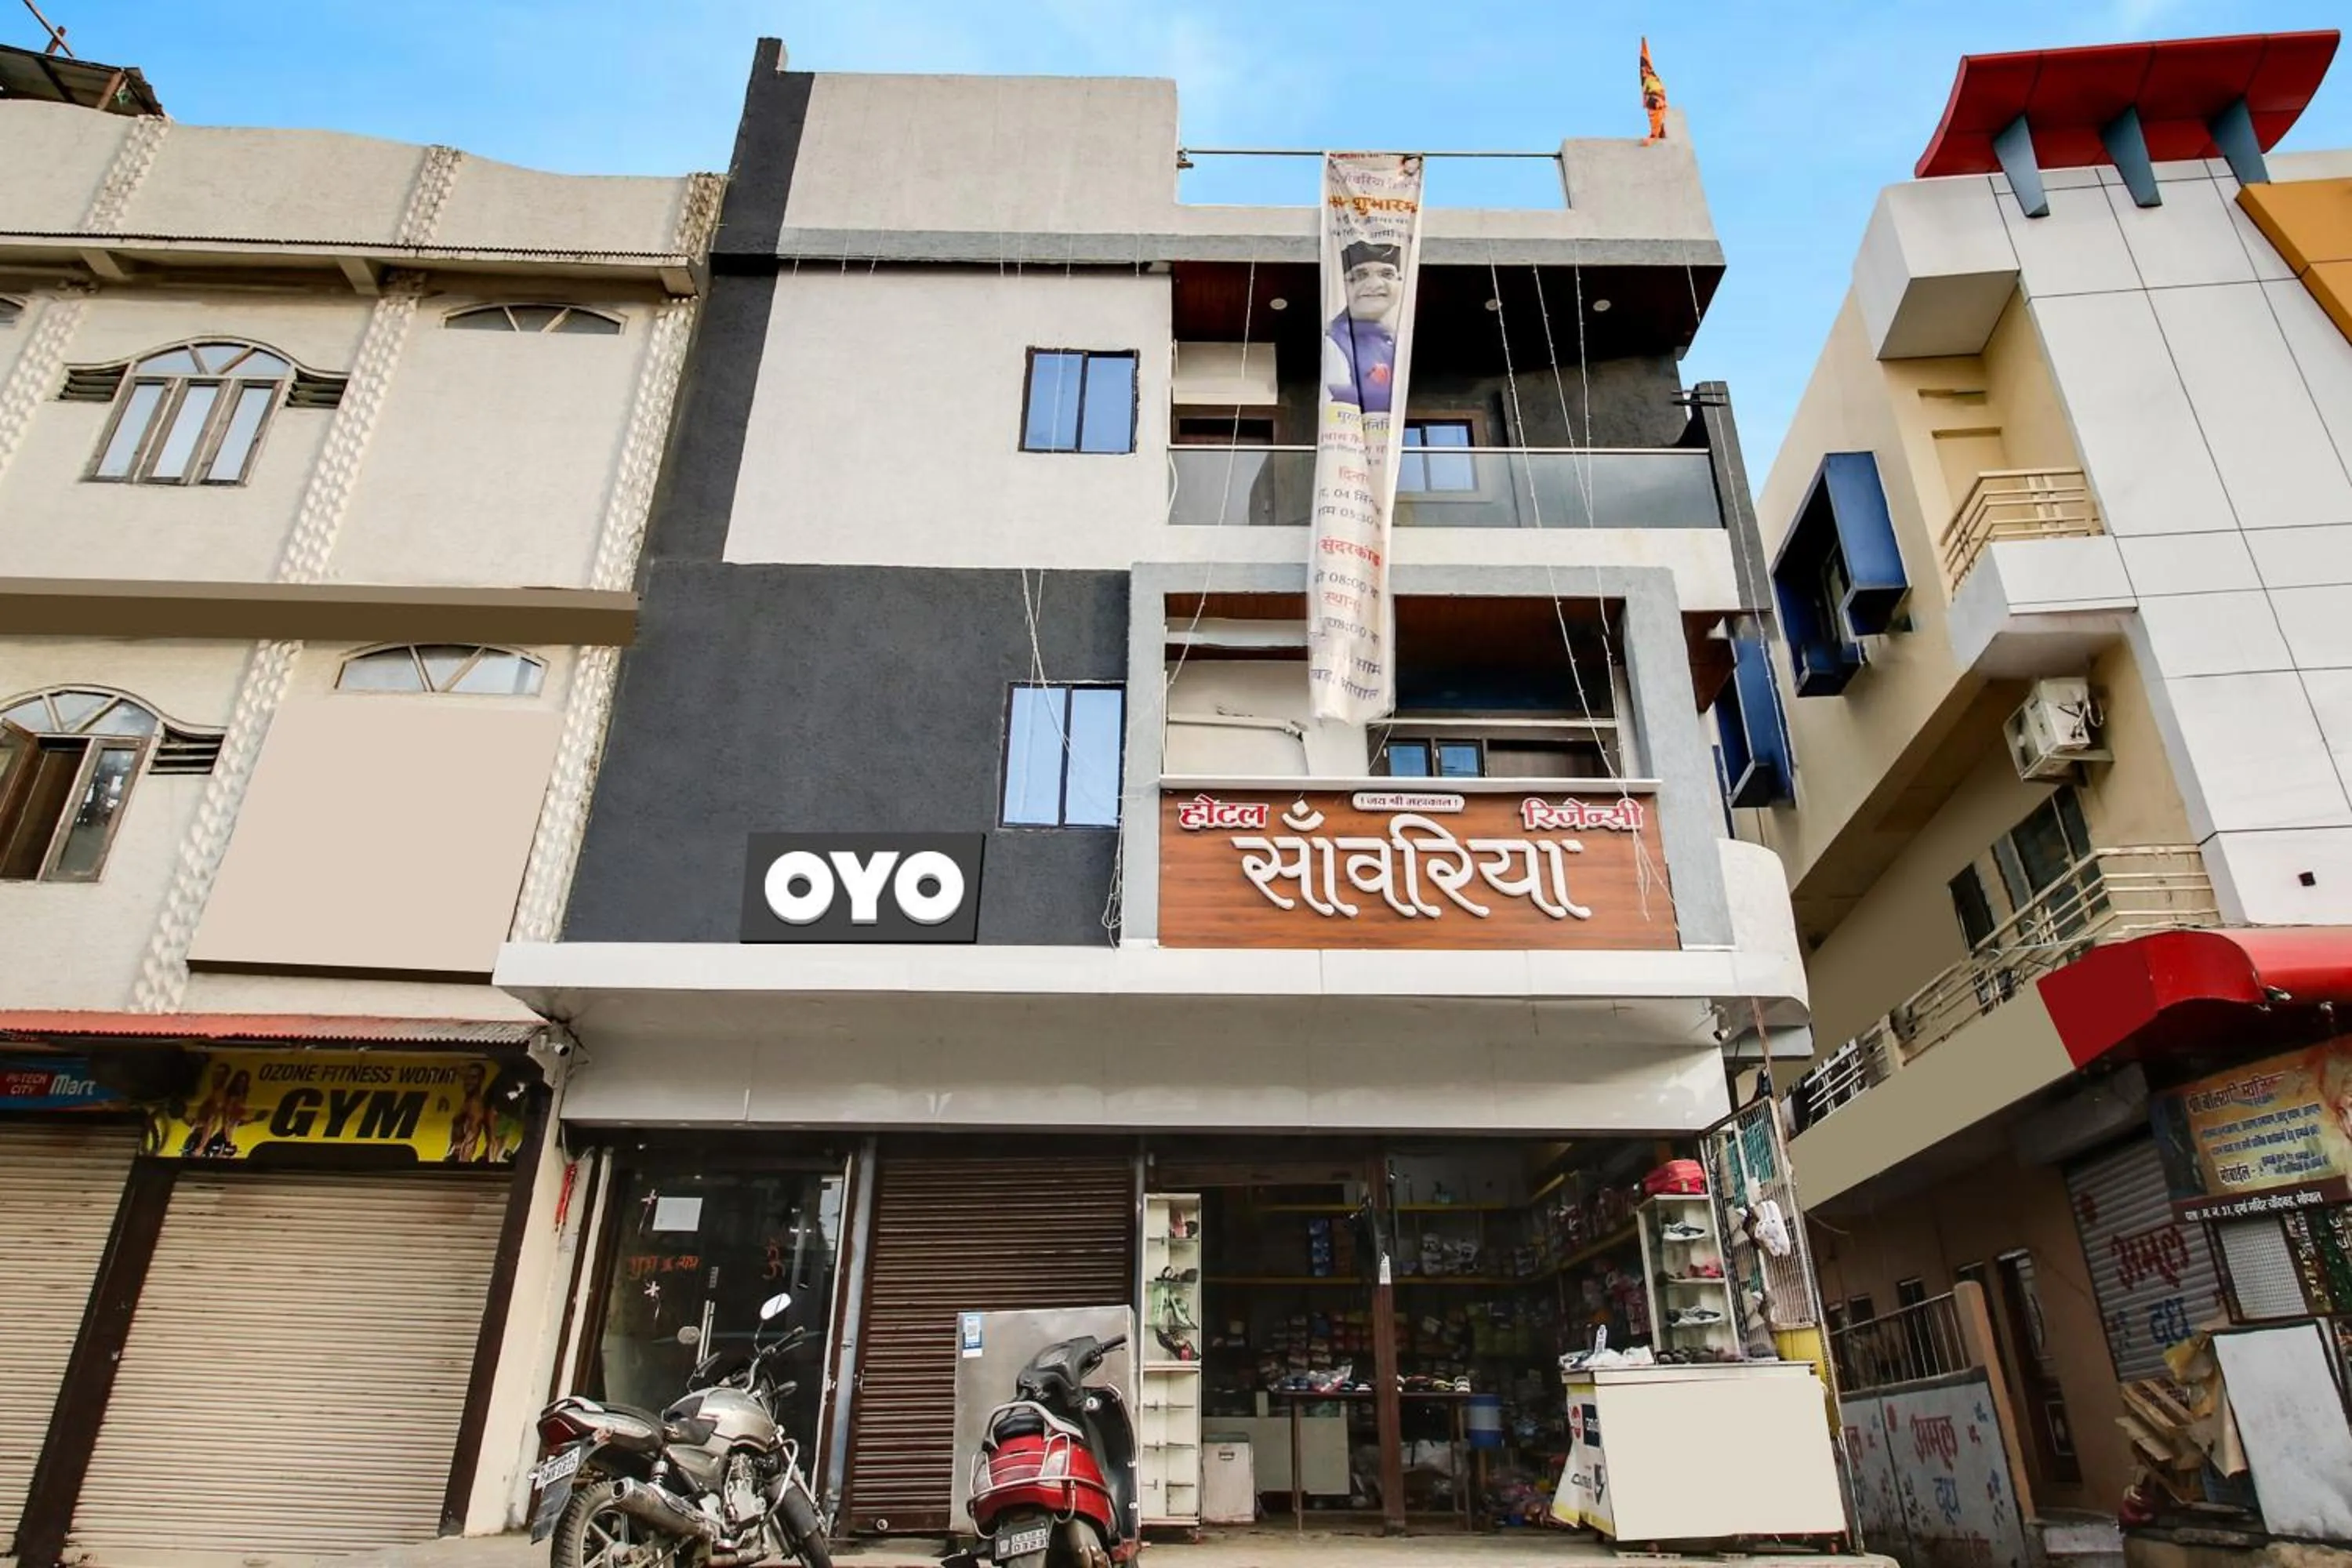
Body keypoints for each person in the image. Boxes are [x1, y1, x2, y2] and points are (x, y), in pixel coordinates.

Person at [1323, 240, 1403, 413]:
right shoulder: (1333, 340)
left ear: (1400, 281)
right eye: (1360, 275)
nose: (1375, 284)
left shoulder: (1400, 337)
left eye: (1387, 274)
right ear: (1344, 284)